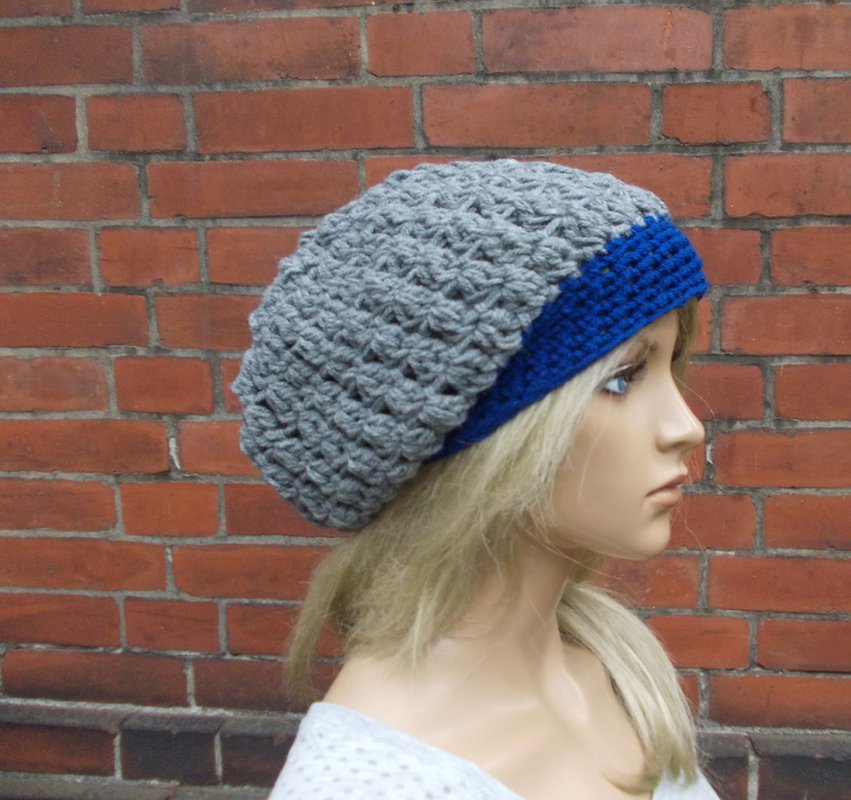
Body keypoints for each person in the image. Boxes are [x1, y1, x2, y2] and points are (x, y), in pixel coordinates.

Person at [233, 160, 722, 799]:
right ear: (478, 439)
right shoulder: (368, 785)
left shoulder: (617, 672)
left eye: (670, 365)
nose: (688, 427)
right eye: (622, 378)